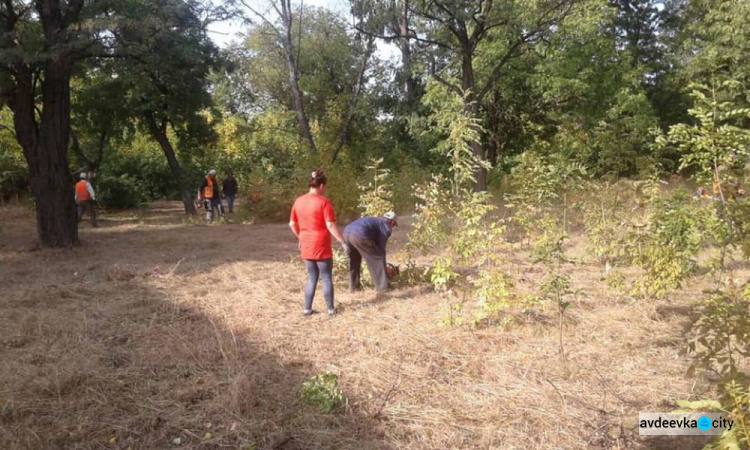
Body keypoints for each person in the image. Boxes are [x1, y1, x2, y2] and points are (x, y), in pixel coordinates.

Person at [289, 170, 349, 316]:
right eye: (325, 186)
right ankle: (330, 310)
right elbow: (330, 225)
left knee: (312, 277)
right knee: (326, 276)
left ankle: (307, 309)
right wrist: (342, 241)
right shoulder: (324, 202)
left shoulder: (299, 201)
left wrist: (300, 236)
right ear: (321, 185)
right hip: (321, 244)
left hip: (307, 244)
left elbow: (291, 223)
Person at [343, 211, 397, 293]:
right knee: (377, 259)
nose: (392, 227)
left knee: (354, 260)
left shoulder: (376, 220)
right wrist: (383, 267)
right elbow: (381, 249)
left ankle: (353, 287)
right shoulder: (386, 225)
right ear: (391, 221)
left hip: (346, 232)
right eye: (394, 225)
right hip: (360, 234)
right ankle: (383, 288)